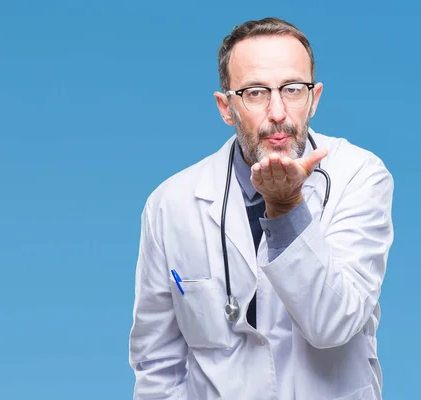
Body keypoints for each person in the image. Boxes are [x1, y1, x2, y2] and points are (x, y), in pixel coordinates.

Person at [128, 17, 394, 400]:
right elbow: (157, 365)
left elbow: (333, 324)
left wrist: (286, 208)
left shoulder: (361, 176)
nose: (278, 112)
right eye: (255, 92)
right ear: (226, 107)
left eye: (292, 89)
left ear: (314, 98)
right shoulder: (171, 204)